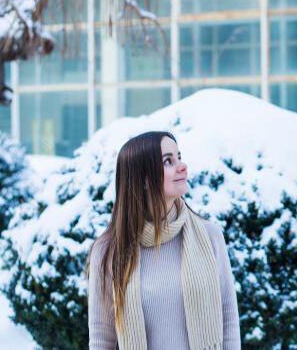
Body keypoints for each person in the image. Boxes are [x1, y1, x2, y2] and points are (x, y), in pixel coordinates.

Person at [86, 131, 240, 350]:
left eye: (179, 157)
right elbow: (102, 338)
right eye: (168, 161)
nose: (182, 166)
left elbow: (228, 319)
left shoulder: (209, 236)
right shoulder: (109, 250)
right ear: (144, 179)